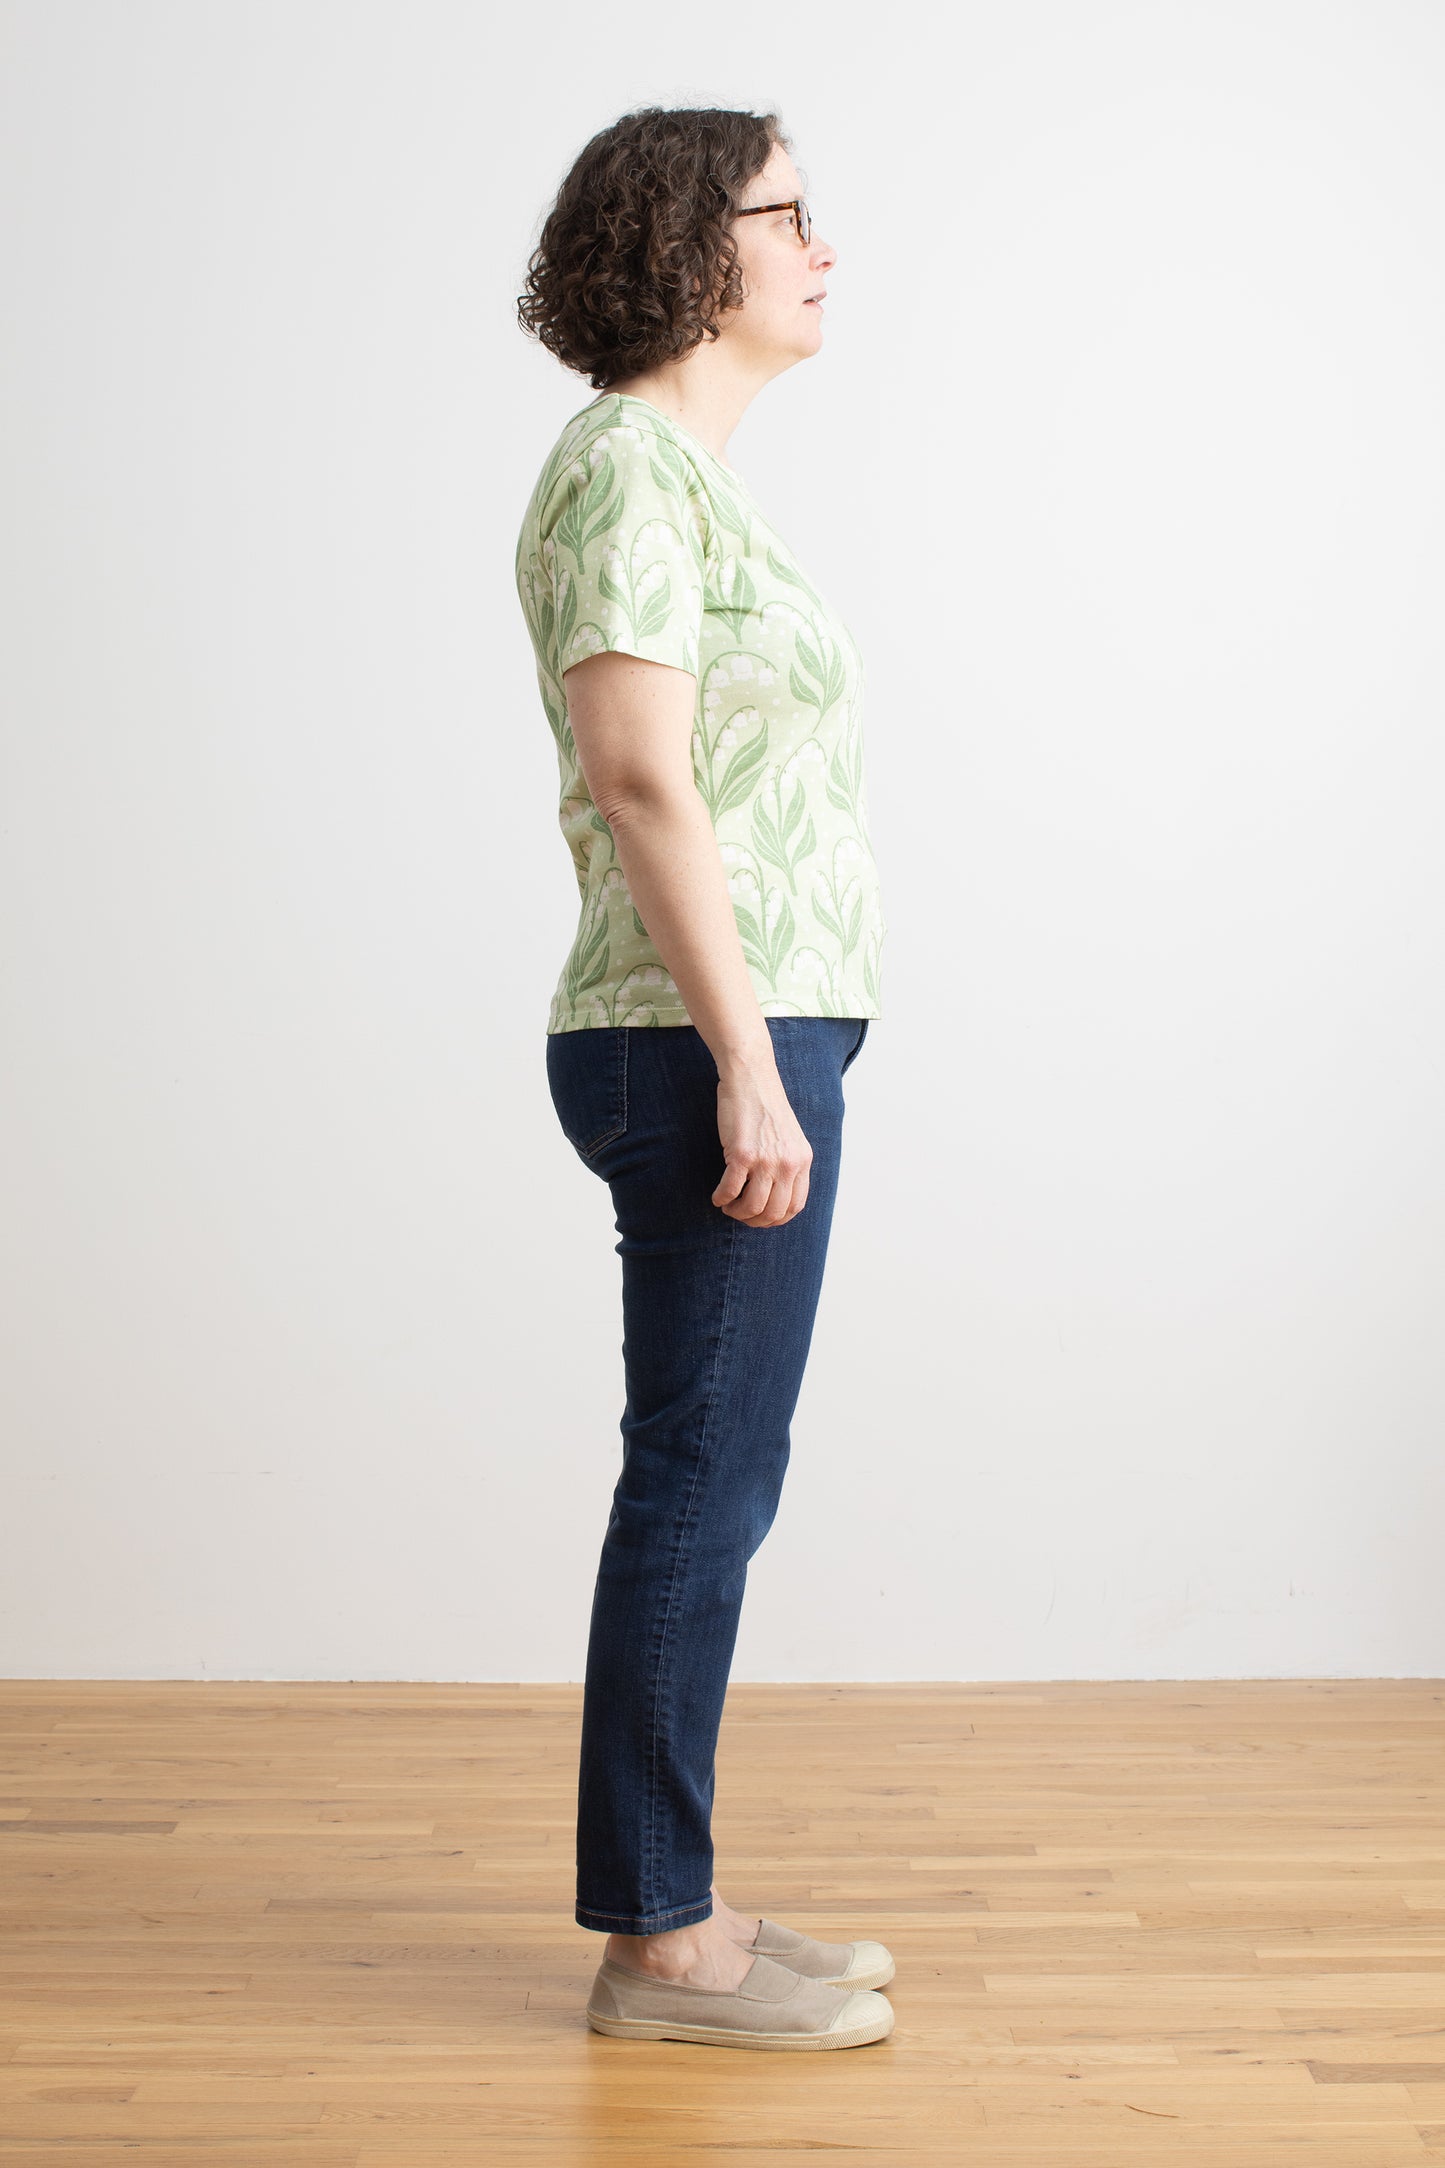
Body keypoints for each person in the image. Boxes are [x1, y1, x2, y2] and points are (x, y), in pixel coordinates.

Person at [514, 105, 893, 2052]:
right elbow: (643, 775)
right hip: (697, 1035)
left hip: (739, 1027)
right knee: (698, 1481)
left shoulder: (682, 479)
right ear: (688, 248)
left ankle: (686, 1902)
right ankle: (659, 1943)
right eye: (790, 214)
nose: (825, 246)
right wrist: (749, 1063)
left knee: (718, 1472)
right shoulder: (620, 471)